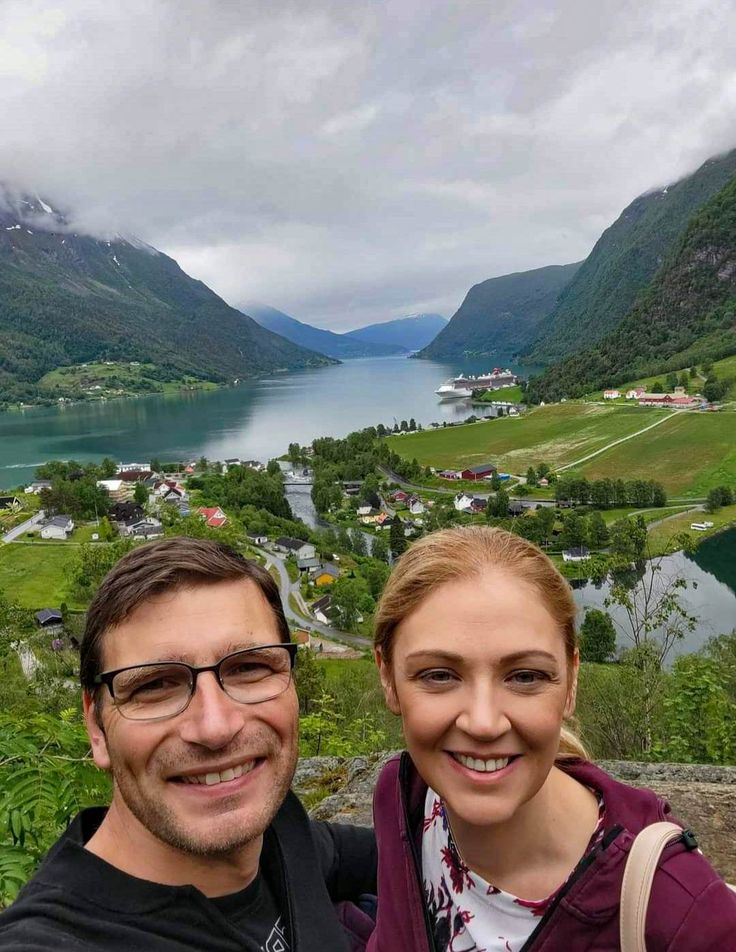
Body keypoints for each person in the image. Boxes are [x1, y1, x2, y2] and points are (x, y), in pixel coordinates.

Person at [367, 525, 736, 951]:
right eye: (438, 675)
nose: (484, 723)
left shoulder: (684, 917)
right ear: (388, 677)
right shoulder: (403, 797)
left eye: (525, 676)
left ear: (572, 682)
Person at [0, 537, 376, 952]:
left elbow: (378, 853)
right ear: (96, 726)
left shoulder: (278, 825)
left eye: (249, 667)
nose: (215, 728)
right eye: (155, 685)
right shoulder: (56, 940)